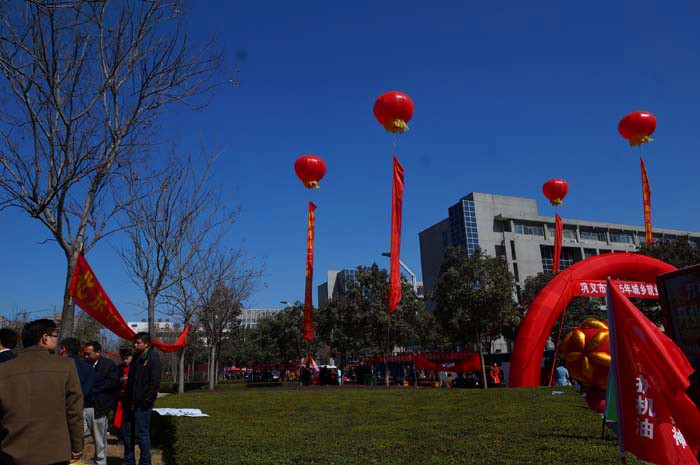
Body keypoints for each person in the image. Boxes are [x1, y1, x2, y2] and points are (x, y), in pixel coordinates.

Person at [0, 319, 84, 464]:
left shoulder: (3, 369)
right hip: (54, 454)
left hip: (11, 452)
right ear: (45, 338)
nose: (57, 340)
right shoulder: (66, 366)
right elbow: (74, 412)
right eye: (55, 336)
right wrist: (77, 446)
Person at [122, 332, 161, 465]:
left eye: (138, 343)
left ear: (146, 344)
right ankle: (129, 461)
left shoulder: (153, 358)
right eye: (134, 342)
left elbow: (155, 382)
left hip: (142, 404)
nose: (135, 345)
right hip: (130, 403)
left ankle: (145, 462)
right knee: (127, 434)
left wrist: (148, 400)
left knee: (142, 435)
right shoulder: (135, 357)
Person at [83, 341, 120, 465]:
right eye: (84, 354)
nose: (86, 356)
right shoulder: (83, 364)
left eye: (88, 354)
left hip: (99, 407)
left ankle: (100, 462)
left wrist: (95, 386)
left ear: (98, 352)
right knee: (78, 433)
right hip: (83, 406)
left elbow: (113, 383)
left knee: (99, 440)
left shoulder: (109, 365)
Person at [114, 348, 133, 434]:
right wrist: (120, 379)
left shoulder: (135, 367)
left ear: (131, 357)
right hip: (121, 397)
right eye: (123, 359)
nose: (125, 361)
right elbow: (114, 380)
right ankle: (121, 434)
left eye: (127, 358)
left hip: (131, 396)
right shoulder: (118, 368)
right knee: (120, 417)